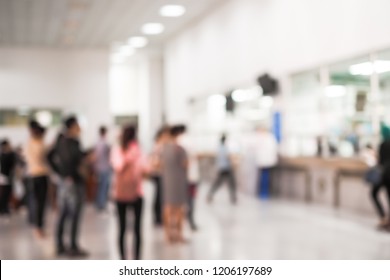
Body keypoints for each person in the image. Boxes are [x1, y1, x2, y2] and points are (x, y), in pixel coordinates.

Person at [47, 116, 88, 257]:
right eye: (78, 125)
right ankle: (72, 246)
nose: (80, 128)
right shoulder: (70, 141)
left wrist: (60, 174)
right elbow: (72, 160)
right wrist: (64, 174)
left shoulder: (61, 140)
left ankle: (61, 245)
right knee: (74, 214)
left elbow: (50, 156)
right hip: (73, 183)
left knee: (63, 213)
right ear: (72, 126)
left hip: (65, 182)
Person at [110, 125, 148, 260]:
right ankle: (123, 259)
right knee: (122, 228)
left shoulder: (138, 149)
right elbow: (117, 167)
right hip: (121, 194)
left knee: (138, 229)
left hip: (137, 192)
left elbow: (144, 168)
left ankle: (137, 259)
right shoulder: (118, 150)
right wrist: (129, 157)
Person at [161, 125, 189, 243]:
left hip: (167, 180)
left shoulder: (164, 148)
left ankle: (168, 235)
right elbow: (185, 164)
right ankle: (178, 234)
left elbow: (159, 164)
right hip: (178, 181)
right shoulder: (180, 149)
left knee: (168, 207)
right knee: (179, 209)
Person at [25, 120, 49, 238]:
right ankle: (38, 226)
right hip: (39, 175)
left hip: (33, 175)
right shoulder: (38, 144)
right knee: (39, 203)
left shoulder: (30, 143)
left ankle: (37, 224)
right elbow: (42, 156)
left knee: (36, 202)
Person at [177, 125, 200, 231]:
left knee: (182, 201)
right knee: (190, 200)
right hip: (190, 177)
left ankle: (183, 222)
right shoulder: (186, 141)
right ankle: (189, 221)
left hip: (183, 177)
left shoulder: (179, 142)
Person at [149, 126, 170, 227]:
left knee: (161, 195)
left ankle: (160, 217)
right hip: (158, 173)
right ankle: (157, 218)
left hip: (162, 173)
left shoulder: (163, 145)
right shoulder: (158, 145)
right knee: (159, 196)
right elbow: (155, 160)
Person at [207, 134, 237, 204]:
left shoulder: (218, 147)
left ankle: (210, 195)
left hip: (220, 168)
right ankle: (233, 198)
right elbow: (228, 157)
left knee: (218, 183)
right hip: (226, 168)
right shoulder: (225, 148)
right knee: (231, 183)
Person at [371, 123, 390, 229]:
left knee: (374, 193)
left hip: (385, 175)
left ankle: (383, 217)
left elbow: (380, 161)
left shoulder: (383, 144)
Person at [255, 126, 278, 199]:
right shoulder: (262, 138)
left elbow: (273, 150)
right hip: (263, 161)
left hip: (267, 161)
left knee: (265, 177)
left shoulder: (270, 138)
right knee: (263, 177)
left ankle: (264, 193)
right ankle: (262, 193)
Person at [94, 126, 111, 212]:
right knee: (103, 187)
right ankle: (101, 204)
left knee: (100, 186)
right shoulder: (104, 143)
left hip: (99, 167)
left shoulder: (97, 143)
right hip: (104, 168)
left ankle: (99, 203)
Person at [0, 139, 16, 217]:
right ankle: (3, 209)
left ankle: (5, 208)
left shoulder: (7, 155)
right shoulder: (4, 155)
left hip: (7, 177)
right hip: (5, 177)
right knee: (4, 194)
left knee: (7, 193)